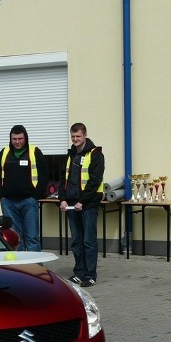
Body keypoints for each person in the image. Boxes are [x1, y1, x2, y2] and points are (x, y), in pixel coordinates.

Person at [59, 122, 104, 288]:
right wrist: (62, 199)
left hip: (88, 205)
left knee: (88, 241)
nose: (75, 139)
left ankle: (90, 275)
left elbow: (94, 181)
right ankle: (79, 273)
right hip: (72, 205)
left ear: (85, 135)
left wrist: (82, 201)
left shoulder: (96, 154)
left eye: (78, 136)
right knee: (76, 241)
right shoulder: (70, 155)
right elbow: (63, 180)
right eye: (73, 136)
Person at [0, 124, 50, 251]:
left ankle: (34, 269)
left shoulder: (34, 151)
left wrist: (35, 196)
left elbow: (44, 175)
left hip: (29, 201)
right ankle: (19, 269)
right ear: (10, 139)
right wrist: (0, 196)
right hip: (8, 202)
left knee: (32, 238)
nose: (17, 142)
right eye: (14, 139)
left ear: (25, 138)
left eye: (20, 139)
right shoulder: (4, 152)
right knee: (15, 238)